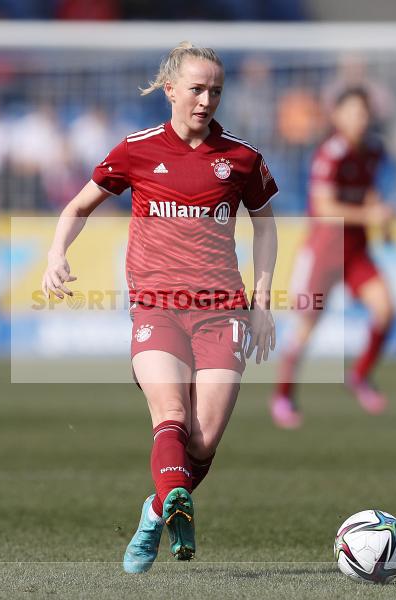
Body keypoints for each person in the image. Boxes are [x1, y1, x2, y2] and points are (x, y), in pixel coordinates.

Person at [41, 42, 278, 573]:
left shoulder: (242, 158)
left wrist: (261, 301)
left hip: (223, 311)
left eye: (215, 90)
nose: (206, 99)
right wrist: (57, 252)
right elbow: (78, 206)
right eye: (196, 88)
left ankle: (156, 509)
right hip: (157, 308)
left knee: (204, 437)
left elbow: (266, 224)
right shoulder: (136, 150)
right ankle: (173, 503)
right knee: (170, 414)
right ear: (170, 89)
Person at [271, 87, 395, 429]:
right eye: (353, 112)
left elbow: (369, 191)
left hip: (355, 251)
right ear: (337, 117)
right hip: (324, 252)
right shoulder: (330, 153)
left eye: (364, 112)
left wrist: (380, 215)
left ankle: (359, 375)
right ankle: (283, 396)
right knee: (306, 327)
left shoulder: (373, 150)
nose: (360, 119)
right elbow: (325, 209)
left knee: (385, 309)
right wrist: (370, 215)